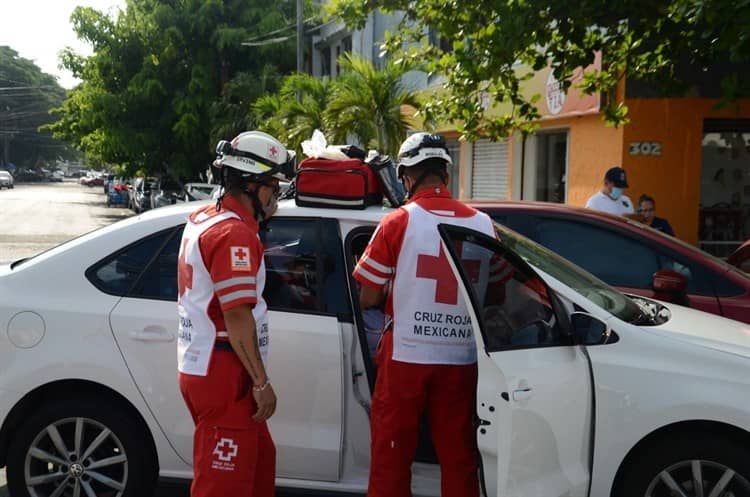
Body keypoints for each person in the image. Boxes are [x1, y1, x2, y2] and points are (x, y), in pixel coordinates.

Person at [353, 132, 496, 497]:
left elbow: (368, 296)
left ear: (407, 176)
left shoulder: (398, 222)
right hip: (460, 359)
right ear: (446, 175)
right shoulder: (483, 224)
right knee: (459, 457)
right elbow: (496, 292)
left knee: (391, 455)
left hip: (405, 358)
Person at [177, 130, 295, 497]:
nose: (276, 196)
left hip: (209, 365)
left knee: (259, 466)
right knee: (223, 487)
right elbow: (237, 316)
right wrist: (261, 382)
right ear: (253, 185)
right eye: (273, 187)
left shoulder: (205, 217)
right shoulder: (234, 234)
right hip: (226, 372)